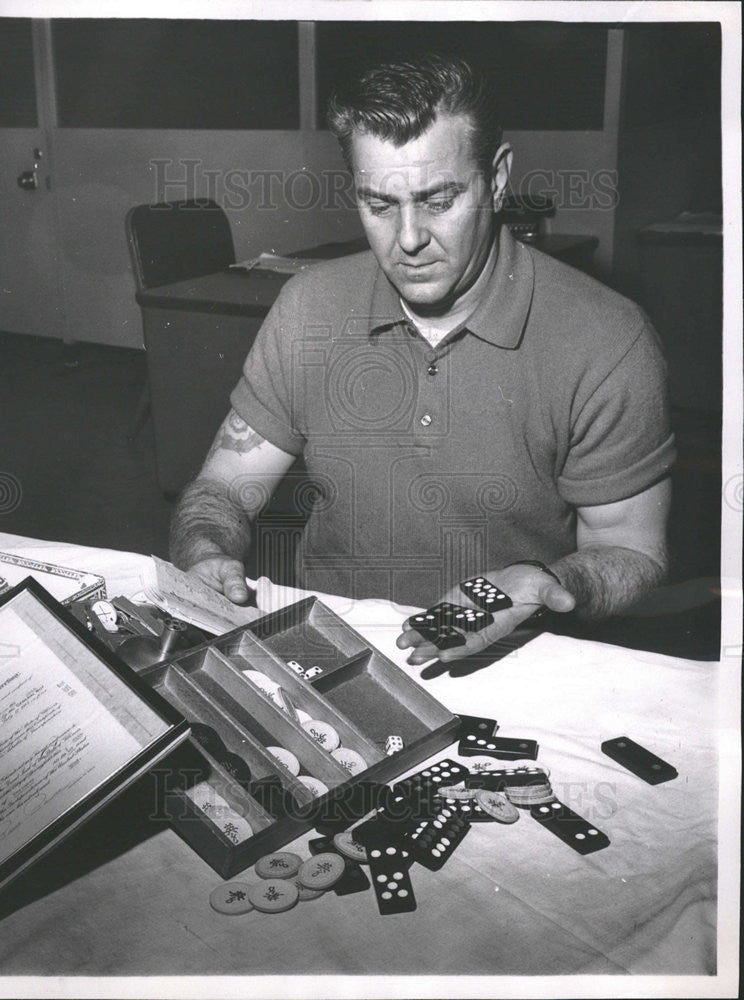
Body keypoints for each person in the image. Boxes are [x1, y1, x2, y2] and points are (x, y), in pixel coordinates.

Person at [170, 53, 675, 664]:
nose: (408, 239)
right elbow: (223, 487)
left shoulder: (608, 337)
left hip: (516, 655)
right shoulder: (309, 305)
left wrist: (547, 586)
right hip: (326, 640)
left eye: (439, 201)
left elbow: (633, 551)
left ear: (499, 176)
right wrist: (204, 554)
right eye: (379, 205)